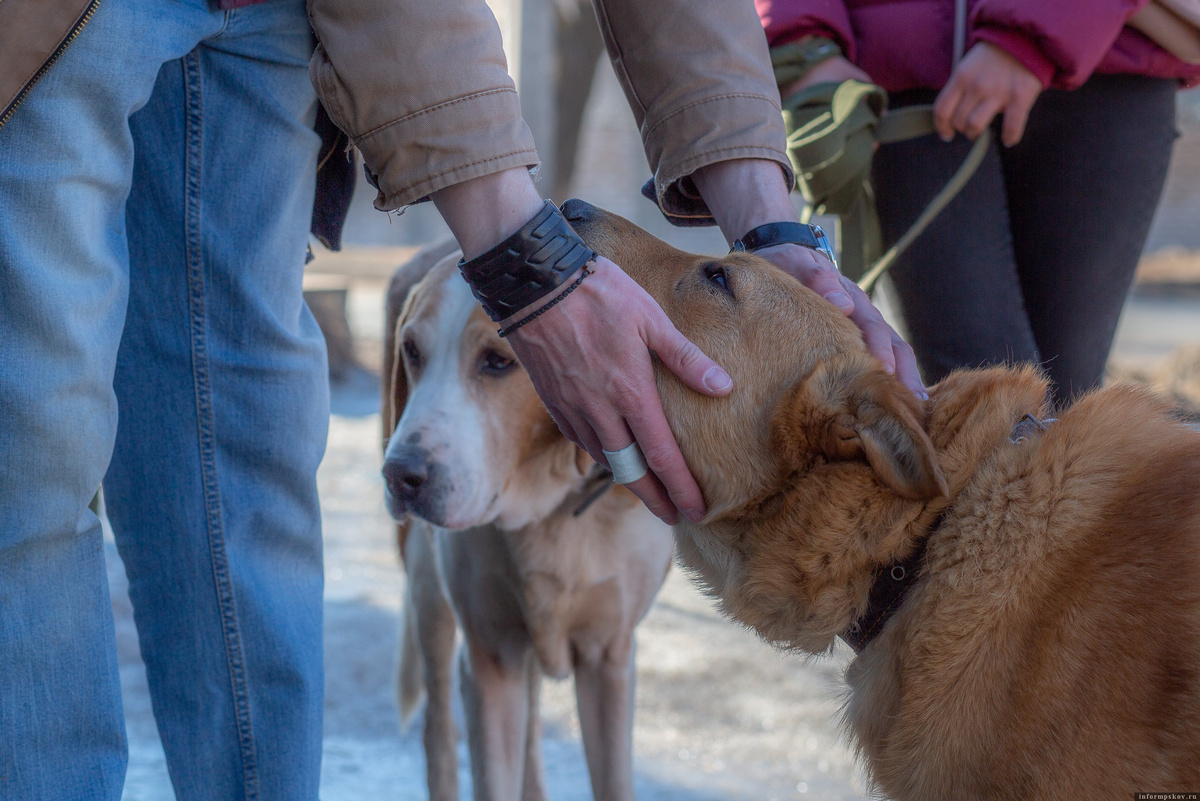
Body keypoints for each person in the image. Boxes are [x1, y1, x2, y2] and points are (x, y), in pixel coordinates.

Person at [0, 0, 918, 797]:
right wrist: (522, 255)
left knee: (246, 442)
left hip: (271, 19)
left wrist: (768, 216)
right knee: (33, 438)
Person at [758, 0, 1200, 407]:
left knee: (1059, 401)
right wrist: (802, 43)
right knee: (981, 399)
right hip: (900, 74)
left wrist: (1039, 27)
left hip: (1102, 50)